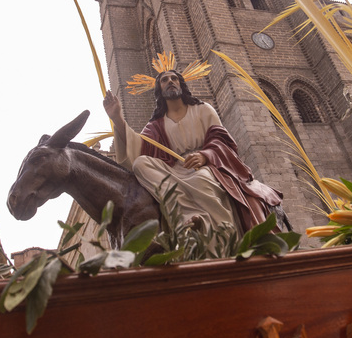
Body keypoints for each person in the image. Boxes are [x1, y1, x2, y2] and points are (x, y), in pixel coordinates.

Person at [102, 67, 282, 233]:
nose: (170, 81)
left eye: (174, 78)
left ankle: (222, 232)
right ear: (159, 90)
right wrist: (117, 118)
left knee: (202, 179)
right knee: (141, 164)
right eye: (164, 80)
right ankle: (183, 214)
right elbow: (138, 148)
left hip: (206, 165)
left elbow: (221, 140)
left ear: (181, 84)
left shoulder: (203, 110)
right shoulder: (156, 125)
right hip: (174, 169)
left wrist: (205, 156)